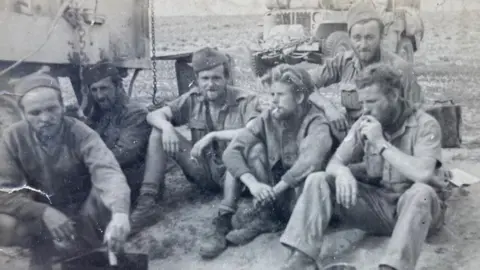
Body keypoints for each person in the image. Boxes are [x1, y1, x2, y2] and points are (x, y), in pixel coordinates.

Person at [279, 63, 451, 270]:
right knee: (318, 179)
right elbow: (334, 162)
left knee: (421, 192)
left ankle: (393, 267)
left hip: (419, 215)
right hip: (380, 206)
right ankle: (302, 258)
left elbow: (423, 173)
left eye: (372, 101)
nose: (365, 109)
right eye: (362, 102)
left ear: (394, 96)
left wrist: (380, 143)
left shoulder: (425, 124)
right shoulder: (365, 122)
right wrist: (342, 172)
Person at [199, 64, 336, 259]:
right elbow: (232, 151)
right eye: (272, 94)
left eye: (280, 95)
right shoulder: (269, 117)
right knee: (254, 150)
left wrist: (274, 190)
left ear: (299, 98)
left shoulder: (316, 122)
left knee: (310, 175)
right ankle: (268, 218)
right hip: (278, 195)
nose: (273, 101)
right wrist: (253, 184)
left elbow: (309, 162)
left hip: (307, 202)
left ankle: (290, 232)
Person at [0, 73, 131, 270]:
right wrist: (44, 212)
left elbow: (108, 172)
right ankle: (44, 248)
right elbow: (3, 191)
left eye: (52, 109)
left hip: (83, 212)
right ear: (24, 114)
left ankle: (89, 247)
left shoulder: (80, 132)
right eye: (35, 113)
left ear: (62, 107)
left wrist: (120, 213)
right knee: (4, 223)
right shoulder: (13, 137)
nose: (45, 118)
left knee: (105, 197)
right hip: (40, 217)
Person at [130, 47, 262, 230]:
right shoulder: (193, 98)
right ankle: (147, 202)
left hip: (236, 175)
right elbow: (153, 116)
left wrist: (212, 135)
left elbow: (253, 132)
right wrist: (167, 126)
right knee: (158, 132)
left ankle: (226, 212)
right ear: (197, 80)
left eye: (216, 78)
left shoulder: (245, 100)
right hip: (203, 170)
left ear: (227, 78)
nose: (210, 84)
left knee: (239, 148)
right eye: (205, 79)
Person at [308, 2, 423, 134]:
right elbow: (301, 83)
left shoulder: (399, 68)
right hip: (351, 133)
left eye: (370, 37)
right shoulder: (343, 61)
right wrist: (327, 107)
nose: (363, 45)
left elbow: (417, 113)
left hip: (388, 136)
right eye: (357, 38)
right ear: (349, 38)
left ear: (380, 37)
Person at [81, 61, 152, 232]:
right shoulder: (99, 114)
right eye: (94, 90)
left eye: (104, 88)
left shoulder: (135, 113)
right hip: (107, 174)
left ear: (118, 86)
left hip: (131, 179)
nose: (99, 96)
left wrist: (87, 164)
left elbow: (125, 153)